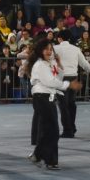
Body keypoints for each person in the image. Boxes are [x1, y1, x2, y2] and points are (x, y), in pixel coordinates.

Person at [28, 39, 80, 170]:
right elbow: (50, 81)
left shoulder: (50, 63)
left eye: (51, 49)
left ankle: (39, 155)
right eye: (46, 49)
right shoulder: (40, 65)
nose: (49, 51)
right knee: (53, 131)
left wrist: (60, 64)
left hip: (49, 98)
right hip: (41, 98)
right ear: (40, 50)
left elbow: (58, 78)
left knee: (49, 131)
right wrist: (69, 85)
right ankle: (50, 160)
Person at [53, 30, 90, 138]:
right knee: (71, 104)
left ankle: (68, 130)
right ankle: (72, 127)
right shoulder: (76, 49)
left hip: (61, 78)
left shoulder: (55, 48)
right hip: (73, 77)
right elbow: (84, 63)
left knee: (63, 105)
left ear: (59, 38)